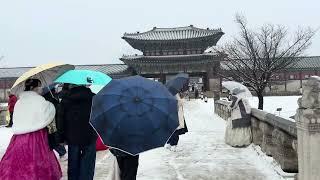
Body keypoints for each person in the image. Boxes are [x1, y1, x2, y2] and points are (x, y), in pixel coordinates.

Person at [0, 78, 62, 180]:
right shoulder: (40, 100)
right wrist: (52, 104)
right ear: (34, 88)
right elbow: (48, 114)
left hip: (19, 138)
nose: (41, 89)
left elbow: (15, 118)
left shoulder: (19, 102)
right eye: (39, 86)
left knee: (19, 159)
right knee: (37, 158)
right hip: (37, 136)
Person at [57, 84, 97, 180]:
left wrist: (61, 137)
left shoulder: (66, 100)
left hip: (72, 136)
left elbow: (60, 120)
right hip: (90, 135)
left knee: (73, 163)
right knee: (88, 164)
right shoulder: (94, 98)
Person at [42, 85, 67, 161]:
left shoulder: (47, 99)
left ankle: (62, 152)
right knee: (53, 138)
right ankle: (61, 152)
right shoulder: (53, 97)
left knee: (52, 139)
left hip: (51, 122)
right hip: (54, 121)